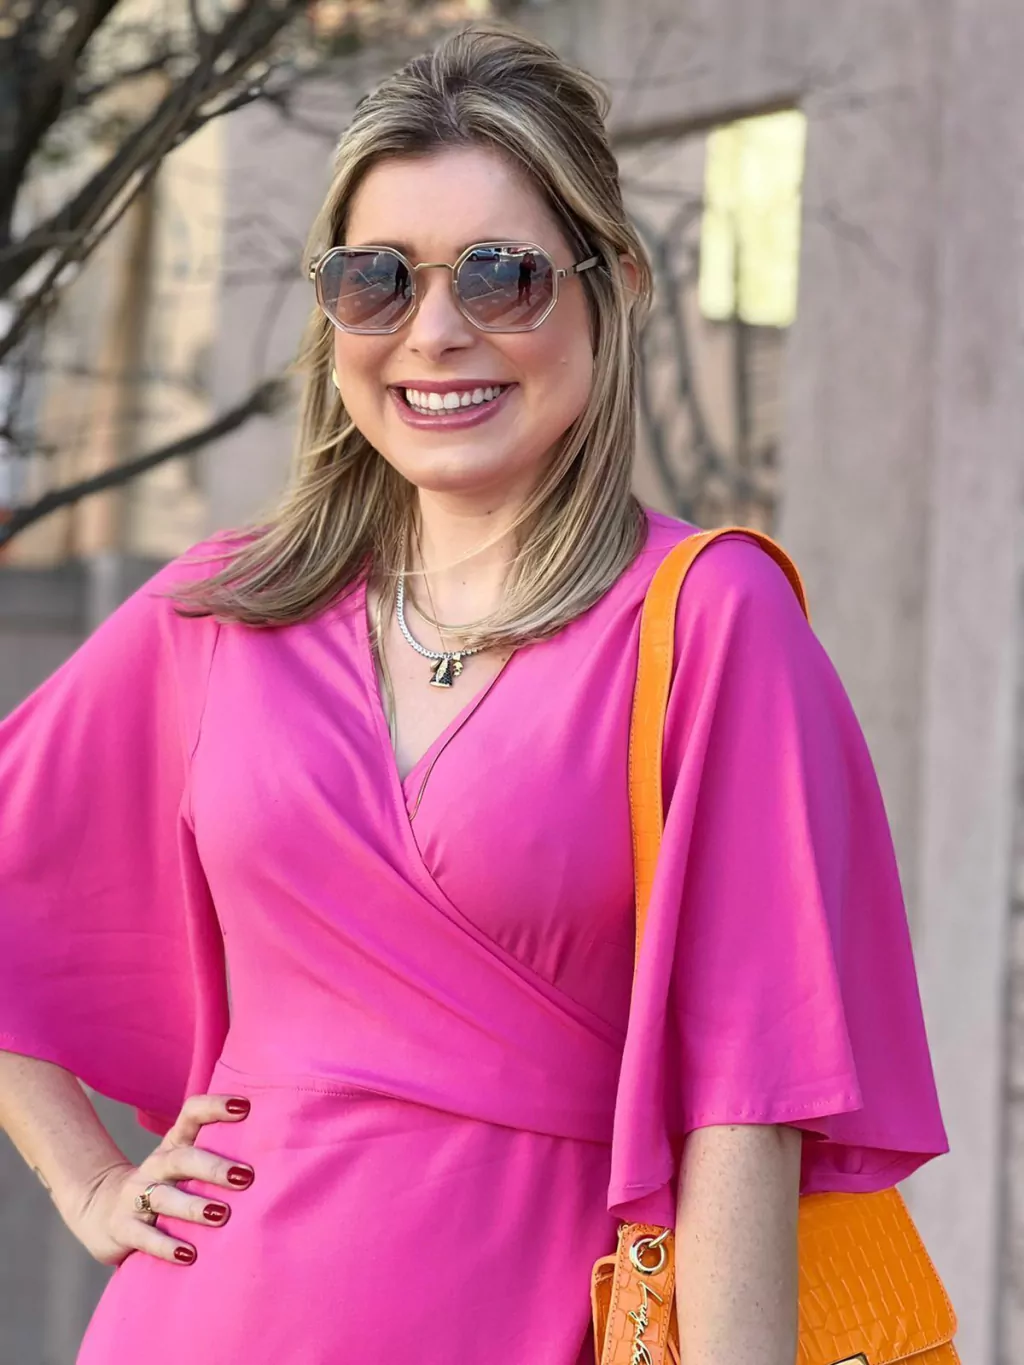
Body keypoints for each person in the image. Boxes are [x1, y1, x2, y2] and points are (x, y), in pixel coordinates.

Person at [0, 25, 948, 1365]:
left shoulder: (708, 620)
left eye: (501, 275)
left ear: (615, 285)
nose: (435, 332)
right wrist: (88, 1178)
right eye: (375, 280)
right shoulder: (221, 610)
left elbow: (749, 1105)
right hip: (199, 1322)